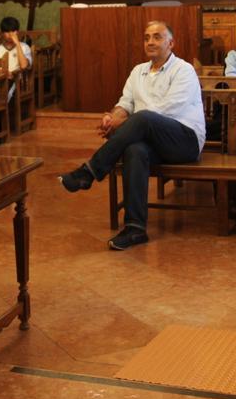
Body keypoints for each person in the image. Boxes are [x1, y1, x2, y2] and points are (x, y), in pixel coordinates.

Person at [58, 21, 204, 251]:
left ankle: (90, 171)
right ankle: (135, 228)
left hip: (184, 141)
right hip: (150, 139)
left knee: (145, 117)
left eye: (157, 37)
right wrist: (112, 116)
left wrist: (123, 123)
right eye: (146, 37)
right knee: (134, 150)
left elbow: (166, 110)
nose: (150, 42)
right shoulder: (138, 71)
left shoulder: (183, 70)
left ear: (171, 43)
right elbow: (125, 103)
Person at [0, 16, 32, 97]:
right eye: (7, 32)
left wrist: (17, 45)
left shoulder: (24, 47)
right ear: (2, 33)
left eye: (13, 31)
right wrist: (3, 72)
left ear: (17, 32)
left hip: (18, 81)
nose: (11, 34)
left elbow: (24, 66)